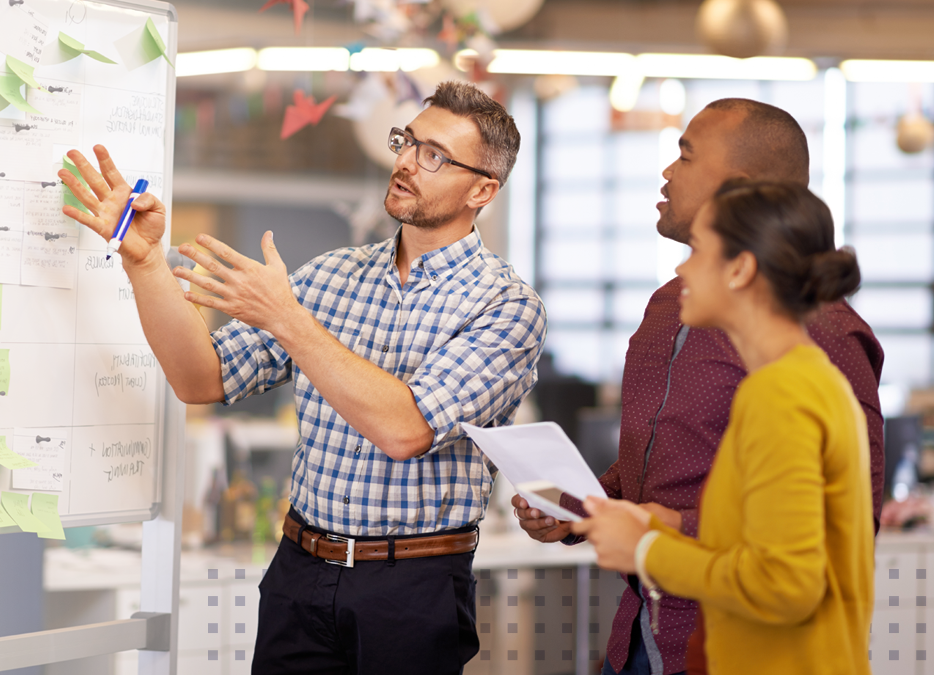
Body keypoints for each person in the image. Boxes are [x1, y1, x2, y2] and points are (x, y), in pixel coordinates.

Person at [59, 81, 546, 674]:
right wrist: (145, 262)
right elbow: (200, 377)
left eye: (434, 155)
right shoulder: (332, 275)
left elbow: (406, 429)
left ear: (482, 189)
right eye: (407, 142)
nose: (405, 163)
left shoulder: (506, 306)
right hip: (300, 570)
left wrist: (288, 319)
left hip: (412, 587)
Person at [511, 98, 884, 675]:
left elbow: (810, 555)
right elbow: (681, 479)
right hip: (650, 627)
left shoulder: (802, 369)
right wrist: (590, 510)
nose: (683, 270)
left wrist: (648, 540)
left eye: (683, 154)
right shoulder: (675, 311)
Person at [576, 180, 873, 675]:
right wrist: (659, 523)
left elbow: (785, 585)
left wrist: (646, 550)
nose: (681, 266)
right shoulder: (807, 378)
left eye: (699, 250)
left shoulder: (781, 392)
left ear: (740, 268)